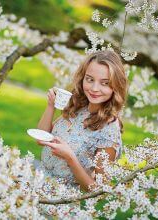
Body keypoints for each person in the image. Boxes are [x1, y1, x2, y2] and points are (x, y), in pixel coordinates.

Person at [36, 50, 128, 192]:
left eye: (105, 83)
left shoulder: (109, 131)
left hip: (59, 201)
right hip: (37, 180)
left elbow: (97, 190)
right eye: (90, 79)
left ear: (116, 85)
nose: (94, 88)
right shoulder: (78, 107)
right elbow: (41, 138)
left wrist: (70, 158)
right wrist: (50, 106)